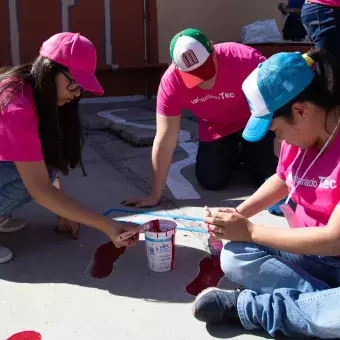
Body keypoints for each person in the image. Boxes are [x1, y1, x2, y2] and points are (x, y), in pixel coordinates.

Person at [192, 49, 340, 338]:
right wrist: (239, 214)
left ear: (300, 111)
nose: (277, 137)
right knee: (233, 255)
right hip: (312, 255)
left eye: (276, 129)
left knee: (331, 316)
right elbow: (283, 179)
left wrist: (250, 230)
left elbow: (334, 239)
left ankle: (251, 308)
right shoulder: (302, 136)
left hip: (330, 249)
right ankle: (320, 304)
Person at [0, 32, 140, 264]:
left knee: (47, 167)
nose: (76, 94)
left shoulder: (31, 88)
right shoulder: (15, 105)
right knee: (28, 175)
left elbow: (45, 161)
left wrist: (62, 211)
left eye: (81, 88)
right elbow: (40, 189)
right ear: (49, 70)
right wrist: (108, 226)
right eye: (73, 84)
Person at [123, 28, 277, 208]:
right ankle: (236, 153)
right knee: (211, 180)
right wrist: (154, 194)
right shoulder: (171, 82)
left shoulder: (245, 59)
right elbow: (165, 138)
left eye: (206, 69)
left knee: (266, 179)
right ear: (176, 67)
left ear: (212, 48)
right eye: (194, 75)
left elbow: (279, 103)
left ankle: (250, 152)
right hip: (217, 127)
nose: (205, 82)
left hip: (255, 123)